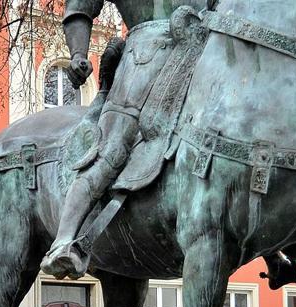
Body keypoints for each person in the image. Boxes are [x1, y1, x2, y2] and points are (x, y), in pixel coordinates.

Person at [40, 0, 208, 279]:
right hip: (145, 58)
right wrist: (79, 53)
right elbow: (80, 7)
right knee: (112, 150)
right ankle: (64, 241)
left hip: (205, 58)